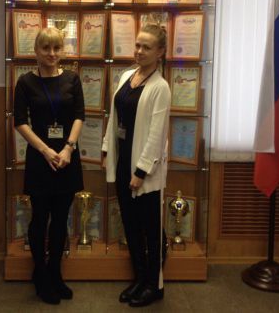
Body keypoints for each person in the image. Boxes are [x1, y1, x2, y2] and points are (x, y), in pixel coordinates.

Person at [13, 27, 85, 305]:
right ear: (36, 50)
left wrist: (68, 148)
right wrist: (45, 150)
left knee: (61, 218)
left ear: (62, 51)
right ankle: (41, 275)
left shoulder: (72, 79)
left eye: (57, 48)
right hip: (40, 160)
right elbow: (20, 122)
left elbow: (79, 115)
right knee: (40, 217)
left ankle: (55, 272)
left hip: (66, 158)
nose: (52, 53)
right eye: (46, 48)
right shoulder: (25, 82)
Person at [102, 24, 171, 307]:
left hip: (144, 173)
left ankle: (154, 285)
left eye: (147, 47)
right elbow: (114, 117)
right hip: (123, 162)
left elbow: (157, 134)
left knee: (150, 230)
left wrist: (141, 171)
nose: (140, 51)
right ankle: (140, 279)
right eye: (138, 45)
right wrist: (106, 148)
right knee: (130, 226)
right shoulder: (126, 76)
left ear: (160, 52)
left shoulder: (160, 87)